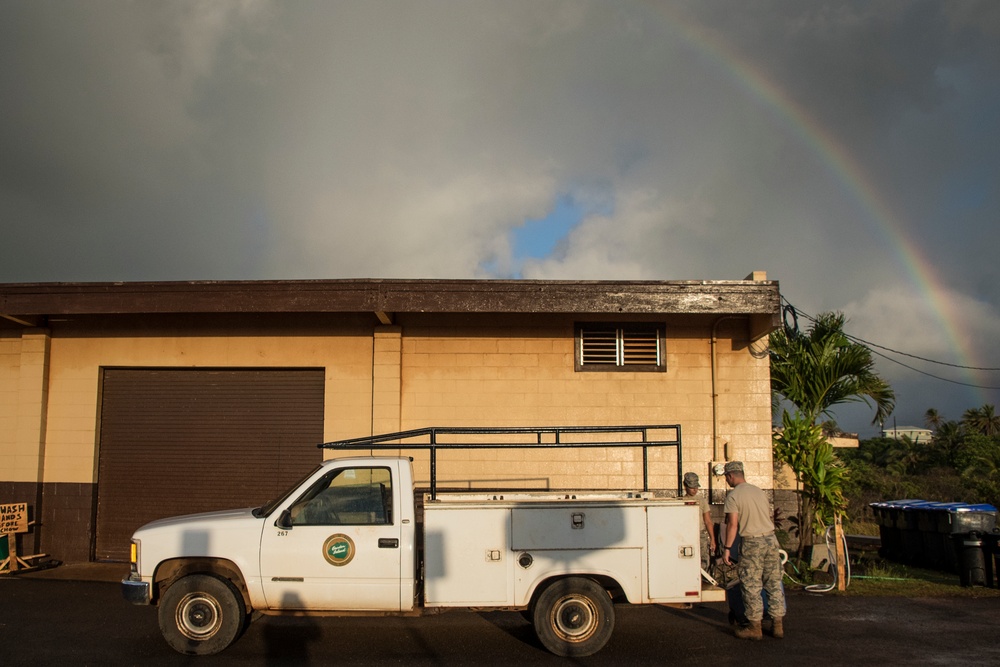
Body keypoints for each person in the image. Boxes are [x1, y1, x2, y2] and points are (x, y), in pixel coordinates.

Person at [721, 461, 785, 640]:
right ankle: (778, 625)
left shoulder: (733, 496)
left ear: (730, 476)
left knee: (751, 585)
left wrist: (727, 549)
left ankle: (754, 627)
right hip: (771, 540)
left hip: (752, 542)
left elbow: (733, 525)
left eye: (726, 478)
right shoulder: (759, 491)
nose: (727, 481)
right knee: (773, 583)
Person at [682, 472, 715, 570]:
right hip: (686, 534)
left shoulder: (702, 500)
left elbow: (708, 521)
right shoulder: (681, 501)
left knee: (703, 561)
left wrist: (712, 539)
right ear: (685, 486)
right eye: (692, 487)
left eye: (696, 487)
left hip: (700, 534)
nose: (694, 490)